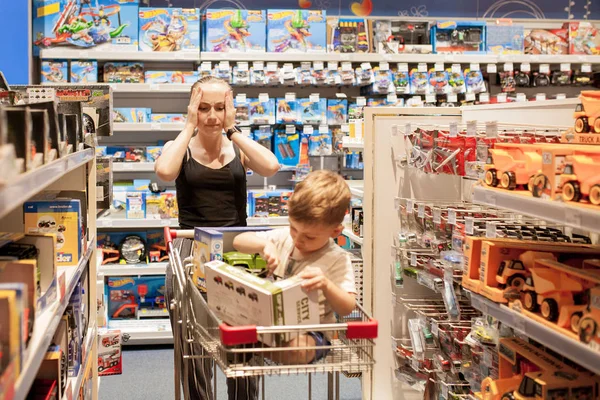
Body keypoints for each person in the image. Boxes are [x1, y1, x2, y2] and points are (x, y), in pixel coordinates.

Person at [156, 76, 280, 400]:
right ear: (192, 108)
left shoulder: (238, 147)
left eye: (220, 108)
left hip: (238, 249)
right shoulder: (179, 148)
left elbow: (272, 165)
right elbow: (165, 172)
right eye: (204, 107)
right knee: (193, 348)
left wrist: (233, 130)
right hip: (191, 247)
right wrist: (188, 125)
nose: (212, 116)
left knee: (244, 344)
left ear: (230, 109)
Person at [232, 170, 357, 364]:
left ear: (335, 231)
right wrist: (264, 245)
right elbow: (239, 241)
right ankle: (257, 342)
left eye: (309, 237)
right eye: (293, 228)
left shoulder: (337, 258)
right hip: (271, 321)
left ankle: (257, 346)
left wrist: (326, 285)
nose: (298, 239)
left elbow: (348, 307)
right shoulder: (284, 238)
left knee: (295, 350)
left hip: (313, 331)